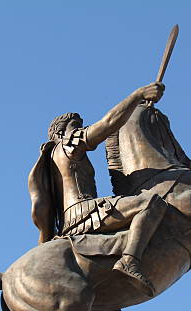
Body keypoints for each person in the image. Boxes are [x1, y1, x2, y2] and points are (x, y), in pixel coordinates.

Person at [28, 83, 167, 297]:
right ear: (59, 132)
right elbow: (108, 123)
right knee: (151, 203)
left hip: (69, 220)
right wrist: (138, 95)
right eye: (75, 125)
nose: (80, 128)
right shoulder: (67, 145)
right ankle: (130, 261)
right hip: (84, 212)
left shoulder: (51, 158)